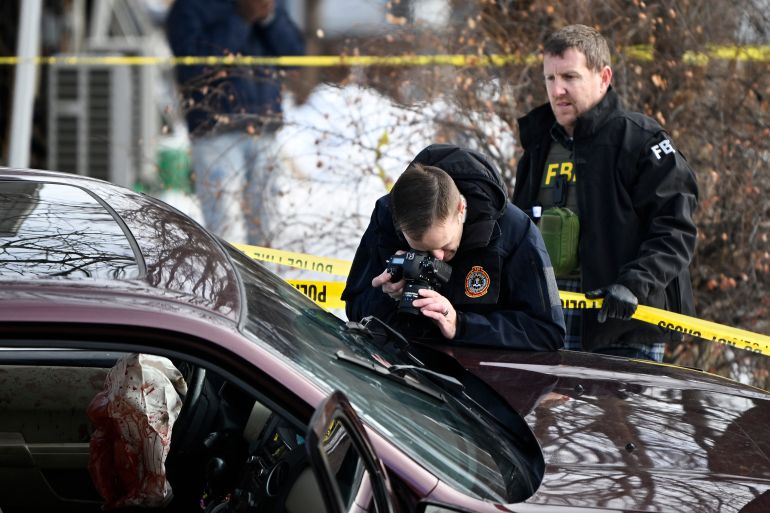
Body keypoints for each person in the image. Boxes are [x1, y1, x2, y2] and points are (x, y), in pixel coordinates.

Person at [512, 24, 698, 361]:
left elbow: (675, 230)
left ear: (604, 77)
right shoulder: (538, 144)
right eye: (550, 79)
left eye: (570, 76)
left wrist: (633, 285)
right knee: (545, 415)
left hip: (622, 320)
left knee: (618, 416)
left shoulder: (641, 140)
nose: (558, 90)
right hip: (547, 319)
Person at [342, 144, 565, 351]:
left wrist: (460, 324)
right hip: (402, 370)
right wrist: (388, 295)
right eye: (425, 251)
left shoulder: (514, 230)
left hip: (478, 381)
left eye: (445, 245)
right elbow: (355, 308)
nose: (438, 257)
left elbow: (547, 332)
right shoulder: (387, 214)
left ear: (461, 208)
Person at [166, 0, 305, 245]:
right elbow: (194, 66)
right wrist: (241, 20)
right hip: (214, 131)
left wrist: (270, 18)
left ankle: (266, 283)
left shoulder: (268, 3)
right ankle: (226, 282)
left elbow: (294, 54)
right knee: (223, 223)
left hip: (264, 129)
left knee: (266, 226)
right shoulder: (189, 6)